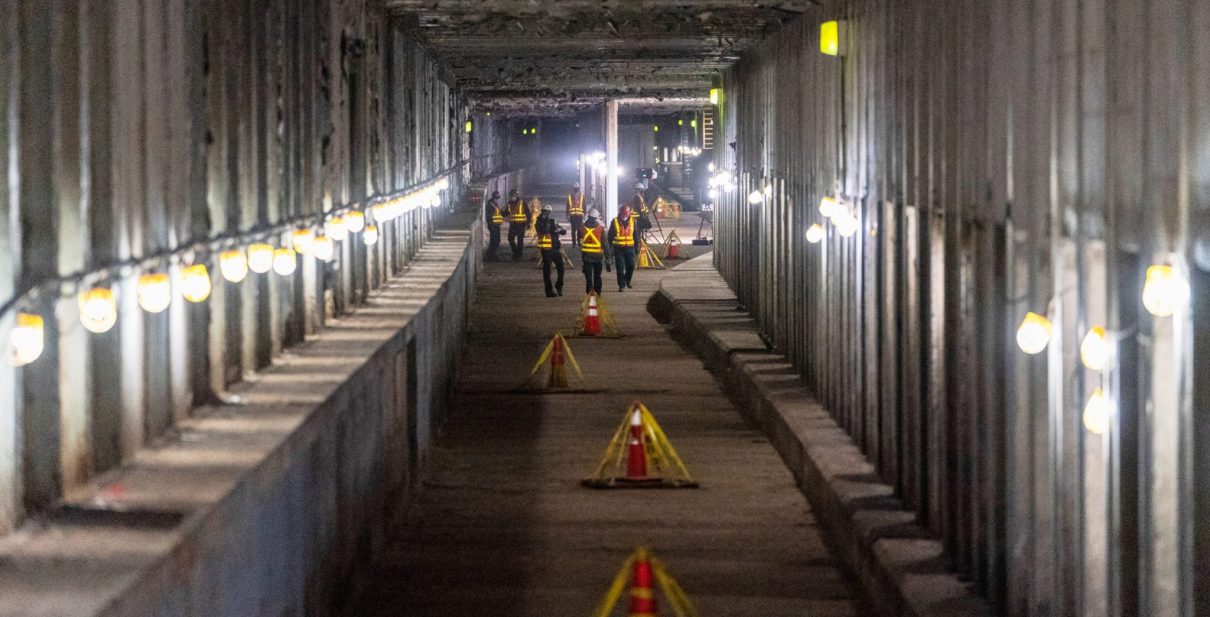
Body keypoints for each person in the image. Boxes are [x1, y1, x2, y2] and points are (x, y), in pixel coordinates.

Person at [535, 205, 567, 297]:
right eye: (545, 212)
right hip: (546, 250)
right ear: (542, 212)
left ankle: (559, 286)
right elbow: (542, 230)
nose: (546, 213)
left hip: (555, 249)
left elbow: (562, 231)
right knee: (547, 272)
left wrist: (560, 229)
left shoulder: (552, 221)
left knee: (561, 269)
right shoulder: (539, 222)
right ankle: (549, 291)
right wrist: (546, 221)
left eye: (548, 212)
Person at [579, 209, 611, 295]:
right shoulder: (600, 229)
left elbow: (579, 238)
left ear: (588, 216)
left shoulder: (582, 227)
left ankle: (589, 293)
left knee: (588, 277)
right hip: (597, 257)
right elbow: (605, 244)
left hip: (586, 256)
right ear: (596, 218)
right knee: (597, 276)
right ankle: (598, 293)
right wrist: (608, 257)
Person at [608, 205, 637, 292]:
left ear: (629, 213)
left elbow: (636, 235)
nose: (626, 214)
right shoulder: (614, 221)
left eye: (627, 212)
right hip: (618, 248)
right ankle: (621, 285)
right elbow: (610, 236)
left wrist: (637, 247)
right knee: (620, 267)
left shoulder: (633, 221)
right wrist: (609, 250)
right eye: (624, 212)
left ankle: (627, 280)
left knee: (631, 266)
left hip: (630, 247)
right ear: (620, 212)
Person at [506, 189, 529, 261]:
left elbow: (528, 214)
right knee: (510, 239)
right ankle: (515, 251)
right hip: (513, 224)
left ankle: (519, 254)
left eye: (513, 195)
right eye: (511, 195)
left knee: (520, 240)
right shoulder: (510, 203)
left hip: (521, 225)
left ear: (516, 195)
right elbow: (506, 212)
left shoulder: (522, 203)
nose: (512, 197)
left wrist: (528, 223)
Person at [484, 190, 504, 261]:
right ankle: (491, 256)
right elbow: (489, 216)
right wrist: (491, 225)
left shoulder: (494, 204)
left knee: (496, 241)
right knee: (494, 241)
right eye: (497, 198)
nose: (497, 199)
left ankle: (492, 255)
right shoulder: (491, 204)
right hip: (493, 226)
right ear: (494, 197)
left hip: (496, 225)